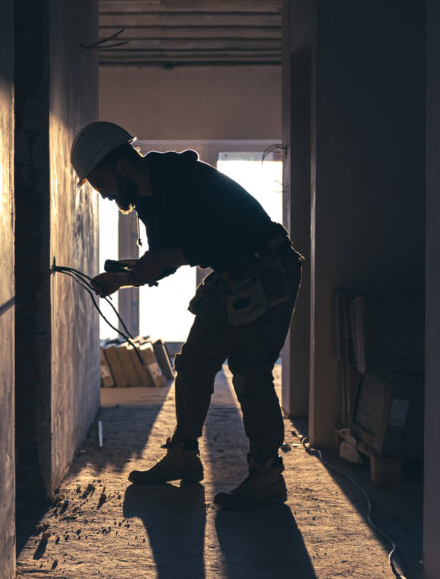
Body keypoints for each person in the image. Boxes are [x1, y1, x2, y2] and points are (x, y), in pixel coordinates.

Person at [70, 120, 303, 508]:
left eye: (102, 183)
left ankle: (266, 475)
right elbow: (166, 260)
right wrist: (122, 279)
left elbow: (219, 238)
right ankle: (183, 455)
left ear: (122, 166)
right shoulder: (147, 204)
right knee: (193, 362)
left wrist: (163, 257)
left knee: (250, 371)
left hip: (269, 269)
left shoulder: (184, 178)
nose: (105, 195)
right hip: (233, 275)